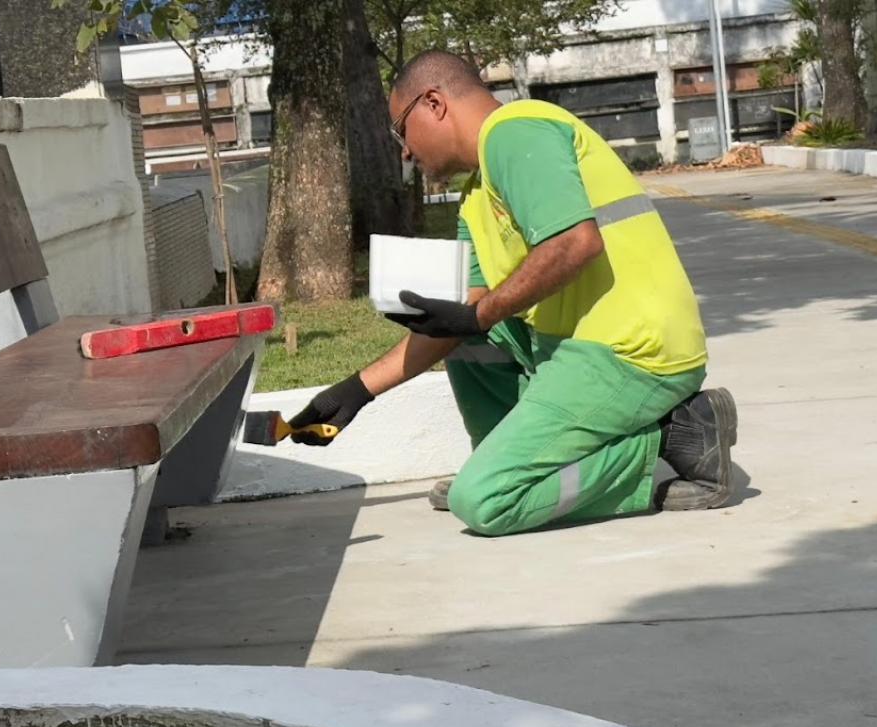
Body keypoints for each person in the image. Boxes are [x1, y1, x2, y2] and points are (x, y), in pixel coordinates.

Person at [286, 50, 738, 537]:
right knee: (468, 335)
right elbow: (463, 319)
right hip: (576, 349)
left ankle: (673, 434)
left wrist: (477, 316)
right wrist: (357, 391)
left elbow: (574, 243)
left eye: (401, 130)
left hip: (634, 351)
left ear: (434, 103)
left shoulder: (516, 130)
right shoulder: (475, 196)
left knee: (483, 501)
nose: (405, 152)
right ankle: (505, 458)